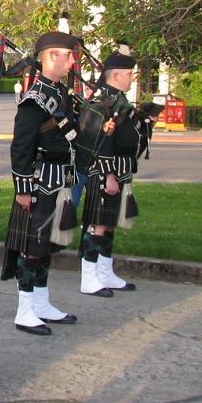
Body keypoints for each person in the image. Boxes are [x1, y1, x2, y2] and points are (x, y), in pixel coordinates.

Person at [2, 31, 80, 334]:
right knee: (32, 247)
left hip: (58, 179)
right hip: (38, 182)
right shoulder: (35, 100)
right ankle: (25, 309)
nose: (73, 61)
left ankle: (42, 303)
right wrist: (23, 189)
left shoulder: (60, 94)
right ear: (51, 57)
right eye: (68, 55)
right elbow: (21, 147)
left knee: (47, 245)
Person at [75, 52, 152, 296]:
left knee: (108, 224)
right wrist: (108, 175)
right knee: (97, 224)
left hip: (119, 170)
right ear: (116, 75)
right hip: (103, 172)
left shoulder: (118, 100)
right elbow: (101, 142)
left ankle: (105, 273)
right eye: (128, 74)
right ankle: (89, 277)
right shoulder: (102, 103)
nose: (131, 78)